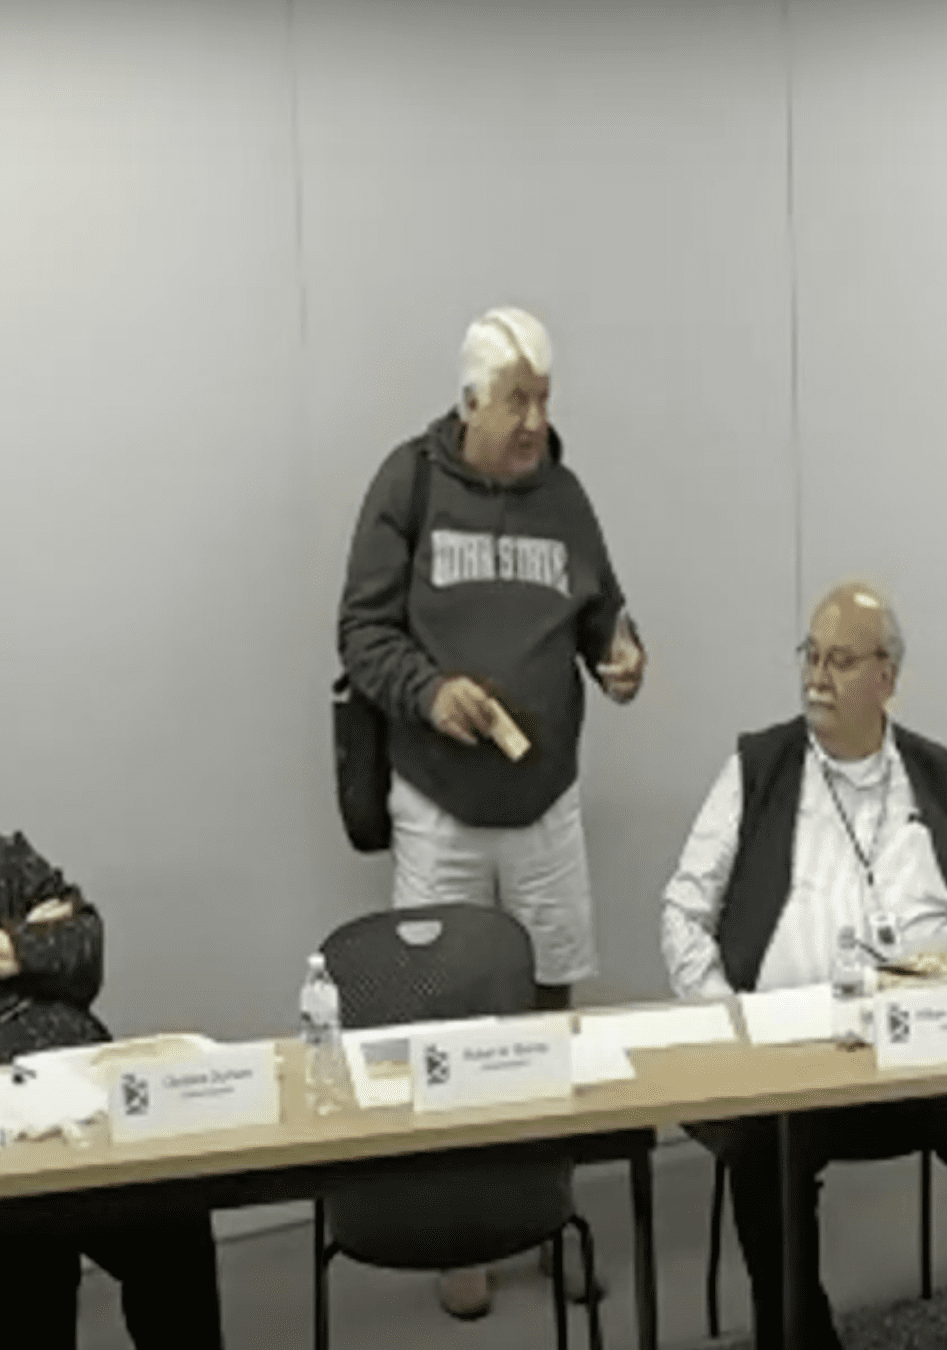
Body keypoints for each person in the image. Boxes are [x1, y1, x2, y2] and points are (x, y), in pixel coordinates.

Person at [337, 305, 644, 1317]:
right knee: (444, 1017)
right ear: (470, 401)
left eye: (544, 398)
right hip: (439, 803)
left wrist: (621, 654)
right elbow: (361, 634)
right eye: (517, 399)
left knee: (551, 1008)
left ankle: (546, 1212)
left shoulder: (564, 494)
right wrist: (429, 692)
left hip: (545, 800)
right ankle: (455, 1229)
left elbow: (602, 610)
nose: (533, 419)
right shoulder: (409, 484)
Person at [661, 583, 947, 1350]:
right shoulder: (758, 767)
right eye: (810, 655)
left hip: (932, 1048)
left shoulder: (933, 770)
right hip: (801, 1058)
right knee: (759, 1154)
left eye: (840, 660)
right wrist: (731, 1021)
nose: (816, 676)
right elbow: (682, 910)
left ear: (888, 677)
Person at [0, 657, 224, 1350]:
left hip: (80, 1112)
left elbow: (85, 948)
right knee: (16, 1247)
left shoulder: (2, 856)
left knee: (175, 1216)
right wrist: (29, 952)